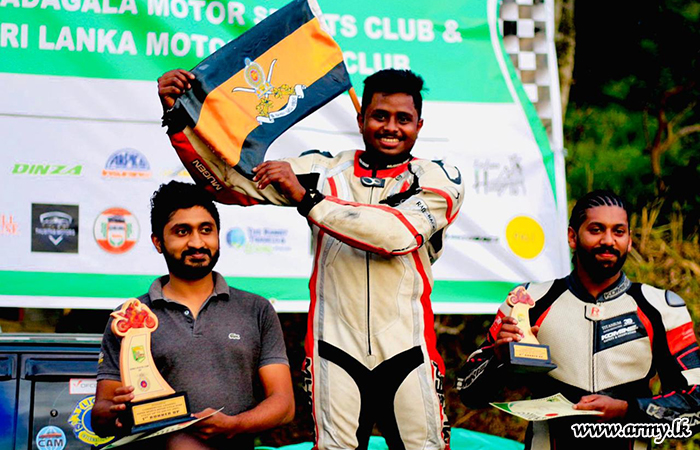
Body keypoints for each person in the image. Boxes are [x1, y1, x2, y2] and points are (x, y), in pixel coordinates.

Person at [158, 68, 464, 450]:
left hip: (408, 351)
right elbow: (227, 182)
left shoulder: (437, 177)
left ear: (419, 125)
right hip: (335, 349)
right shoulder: (322, 170)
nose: (390, 127)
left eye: (403, 119)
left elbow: (395, 234)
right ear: (361, 119)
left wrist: (308, 199)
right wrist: (179, 117)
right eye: (380, 116)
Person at [456, 190, 700, 449]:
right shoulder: (528, 301)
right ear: (572, 236)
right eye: (596, 230)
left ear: (629, 240)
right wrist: (498, 359)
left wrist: (628, 410)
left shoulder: (660, 308)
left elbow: (695, 405)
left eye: (618, 232)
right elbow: (468, 392)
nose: (608, 240)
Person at [92, 181, 294, 449]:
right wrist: (114, 411)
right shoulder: (130, 317)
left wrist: (235, 425)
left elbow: (284, 405)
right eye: (182, 231)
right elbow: (100, 415)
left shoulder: (256, 309)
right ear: (158, 242)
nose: (197, 242)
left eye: (206, 230)